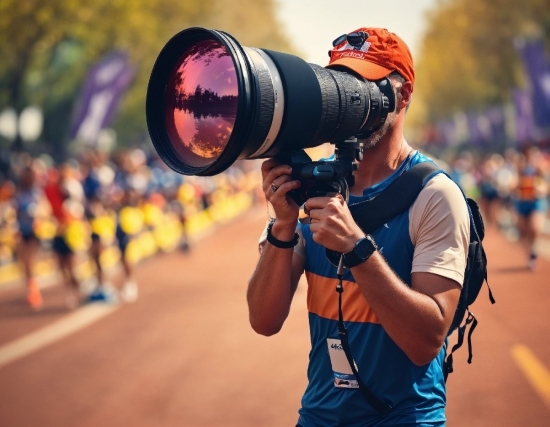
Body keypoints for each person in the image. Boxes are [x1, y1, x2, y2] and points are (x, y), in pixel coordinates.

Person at [247, 27, 470, 426]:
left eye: (365, 84)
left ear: (402, 96)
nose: (349, 99)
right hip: (319, 415)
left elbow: (426, 342)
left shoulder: (434, 195)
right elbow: (263, 321)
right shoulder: (314, 183)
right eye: (342, 82)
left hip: (405, 417)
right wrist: (282, 225)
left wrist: (357, 248)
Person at [511, 145, 549, 270]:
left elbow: (546, 185)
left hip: (536, 203)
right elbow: (514, 184)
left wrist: (541, 189)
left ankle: (533, 253)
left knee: (535, 228)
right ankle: (530, 253)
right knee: (523, 233)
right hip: (522, 203)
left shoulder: (540, 168)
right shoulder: (520, 168)